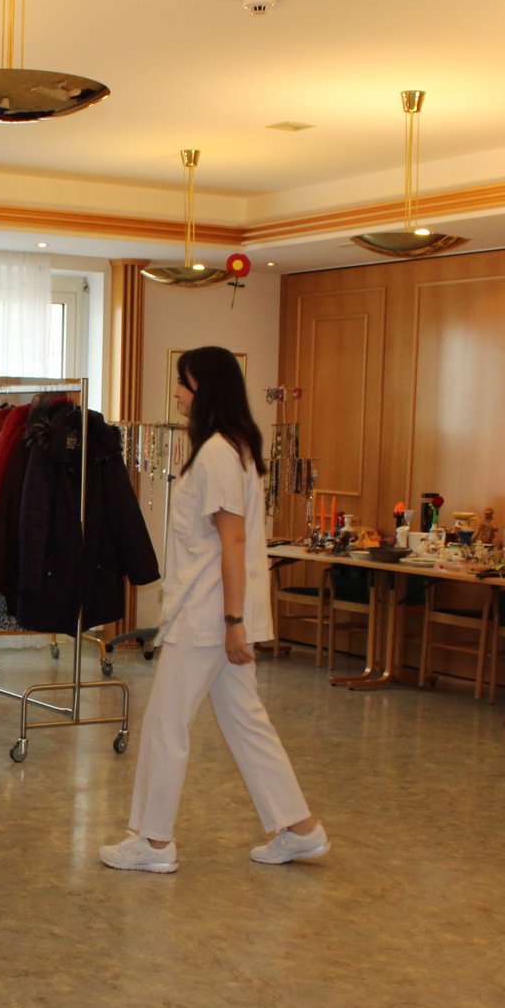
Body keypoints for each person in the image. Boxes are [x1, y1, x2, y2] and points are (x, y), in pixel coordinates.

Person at [100, 346, 328, 873]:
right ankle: (300, 828)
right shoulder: (228, 449)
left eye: (183, 383)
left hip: (207, 618)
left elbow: (234, 543)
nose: (177, 393)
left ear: (204, 389)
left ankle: (154, 841)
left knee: (166, 724)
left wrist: (232, 622)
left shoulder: (220, 454)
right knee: (246, 721)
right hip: (213, 614)